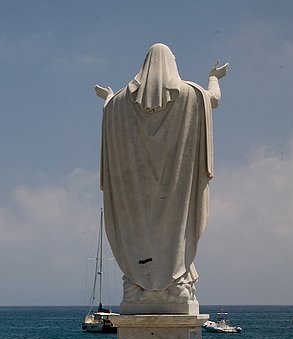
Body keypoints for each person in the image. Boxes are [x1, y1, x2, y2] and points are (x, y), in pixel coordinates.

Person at [96, 43, 228, 313]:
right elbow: (212, 99)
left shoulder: (120, 102)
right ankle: (175, 280)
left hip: (136, 195)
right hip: (177, 190)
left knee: (140, 231)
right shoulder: (191, 94)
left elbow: (110, 112)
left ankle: (139, 284)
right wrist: (213, 77)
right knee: (176, 231)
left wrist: (109, 98)